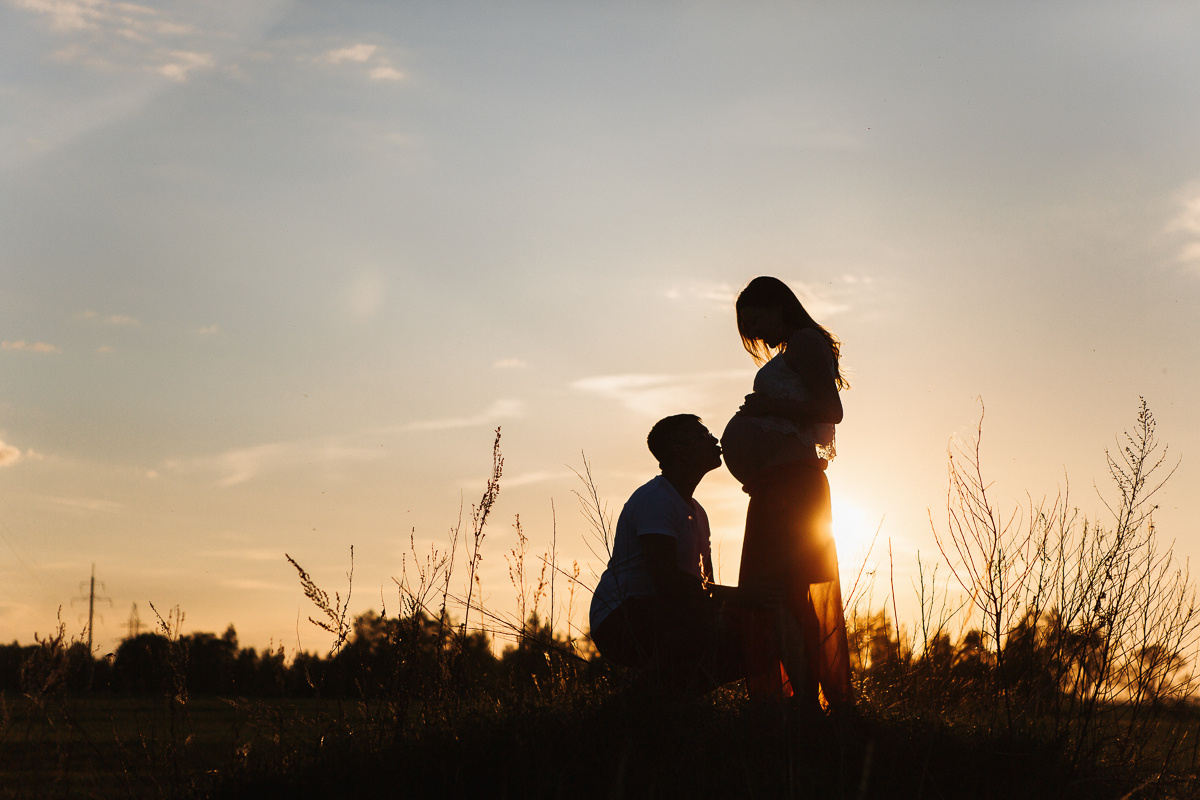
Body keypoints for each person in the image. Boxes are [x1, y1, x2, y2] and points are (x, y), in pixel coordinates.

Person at [722, 276, 853, 707]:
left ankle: (805, 703)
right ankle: (798, 701)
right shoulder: (792, 348)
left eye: (758, 321)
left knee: (789, 592)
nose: (758, 335)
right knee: (780, 594)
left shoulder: (806, 343)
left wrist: (766, 406)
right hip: (775, 489)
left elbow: (830, 409)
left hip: (794, 489)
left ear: (779, 305)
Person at [590, 414, 789, 694]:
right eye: (701, 435)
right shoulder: (656, 499)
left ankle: (667, 705)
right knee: (711, 633)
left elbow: (704, 588)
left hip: (663, 611)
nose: (714, 440)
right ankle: (640, 705)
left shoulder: (698, 513)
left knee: (753, 637)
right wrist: (742, 595)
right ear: (677, 450)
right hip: (620, 618)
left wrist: (737, 605)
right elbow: (669, 582)